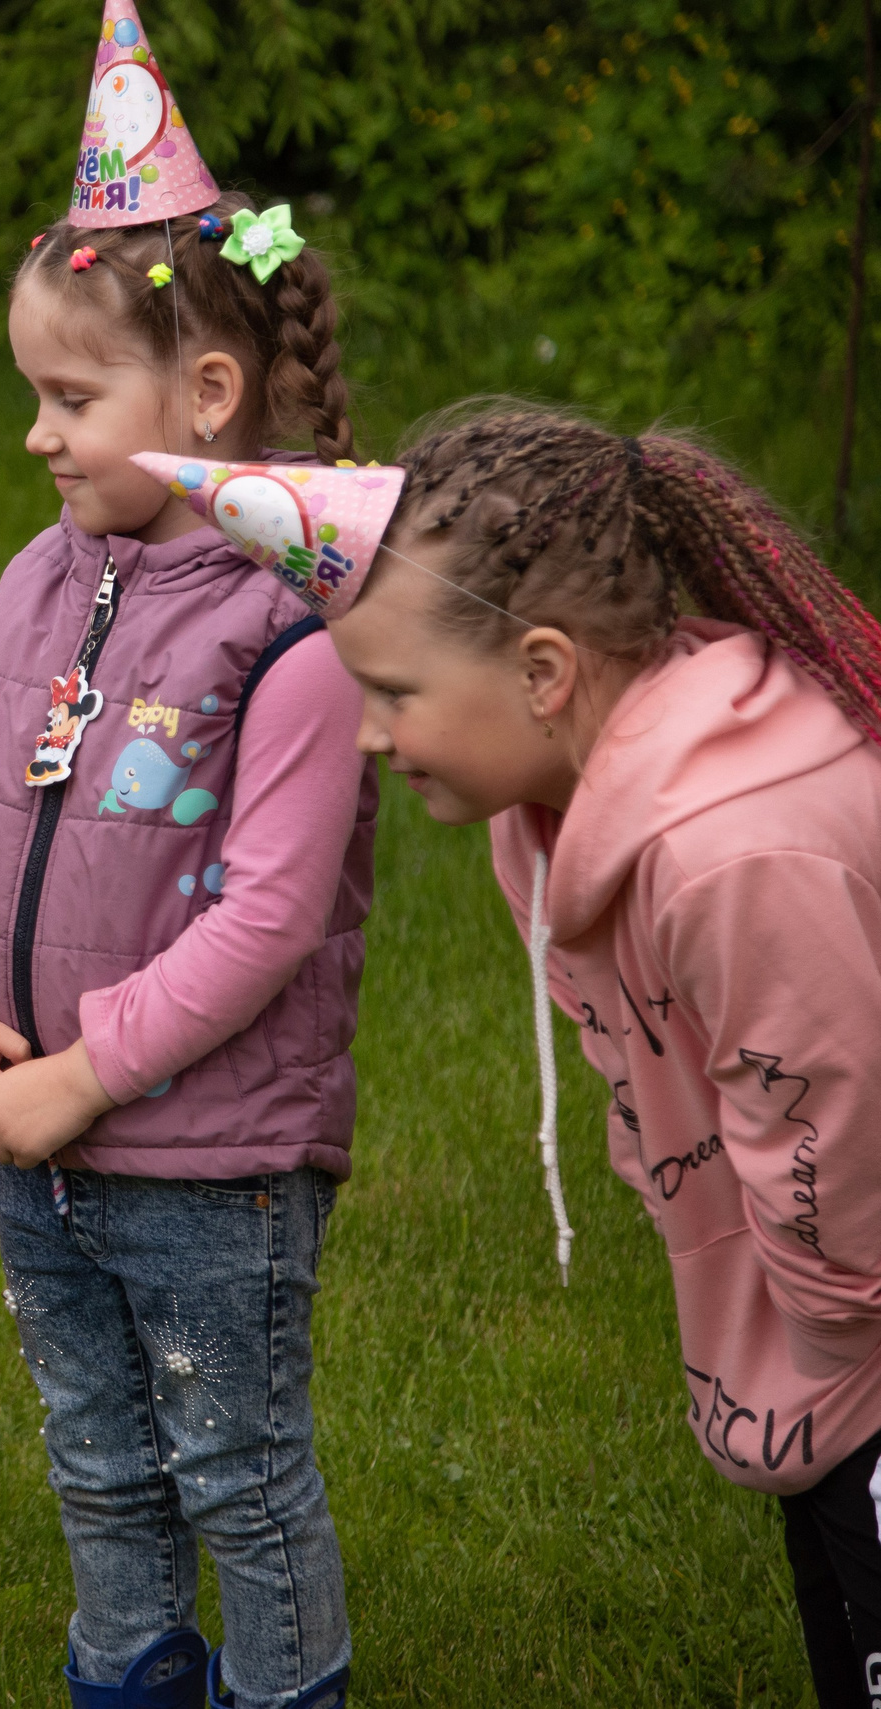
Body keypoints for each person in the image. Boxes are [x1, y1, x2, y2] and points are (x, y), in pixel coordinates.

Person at [0, 7, 369, 1704]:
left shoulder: (289, 631)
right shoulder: (38, 577)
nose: (37, 432)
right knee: (97, 1459)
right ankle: (127, 1677)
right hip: (41, 1137)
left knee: (236, 1468)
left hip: (207, 1162)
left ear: (210, 393)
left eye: (69, 395)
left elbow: (269, 917)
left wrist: (85, 1077)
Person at [316, 403, 881, 1709]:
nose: (366, 735)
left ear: (546, 673)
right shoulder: (555, 806)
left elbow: (837, 1149)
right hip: (824, 1376)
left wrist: (819, 1328)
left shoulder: (732, 853)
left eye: (394, 692)